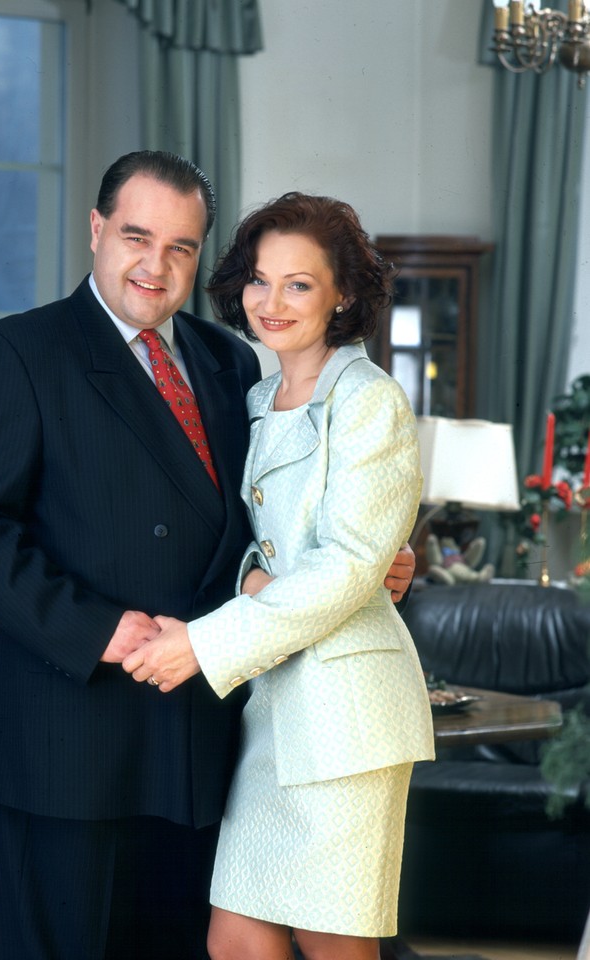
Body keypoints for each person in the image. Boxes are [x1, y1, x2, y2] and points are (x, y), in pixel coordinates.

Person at [0, 153, 415, 960]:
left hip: (200, 743)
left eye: (181, 246)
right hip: (70, 744)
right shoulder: (17, 354)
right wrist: (95, 629)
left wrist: (373, 559)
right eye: (136, 236)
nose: (156, 265)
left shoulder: (231, 364)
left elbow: (260, 520)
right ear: (96, 230)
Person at [123, 192, 436, 960]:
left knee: (332, 944)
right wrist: (252, 577)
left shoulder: (369, 400)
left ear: (344, 295)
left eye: (299, 284)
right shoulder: (257, 399)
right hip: (271, 710)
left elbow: (349, 562)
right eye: (260, 280)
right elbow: (251, 536)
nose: (272, 302)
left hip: (347, 722)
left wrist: (205, 642)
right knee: (235, 939)